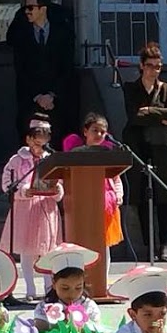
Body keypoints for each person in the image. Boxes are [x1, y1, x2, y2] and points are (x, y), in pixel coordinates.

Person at [121, 43, 167, 263]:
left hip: (163, 148)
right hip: (138, 146)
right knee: (142, 197)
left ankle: (164, 245)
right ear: (141, 66)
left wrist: (149, 111)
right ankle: (149, 245)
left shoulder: (165, 88)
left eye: (158, 67)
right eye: (150, 66)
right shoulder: (131, 87)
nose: (154, 71)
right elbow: (133, 116)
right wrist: (160, 117)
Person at [0, 117, 63, 302]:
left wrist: (57, 190)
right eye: (37, 137)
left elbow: (60, 182)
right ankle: (29, 288)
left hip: (47, 209)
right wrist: (23, 191)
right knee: (27, 250)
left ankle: (50, 288)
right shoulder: (17, 160)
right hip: (25, 209)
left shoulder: (51, 159)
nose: (41, 142)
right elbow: (7, 184)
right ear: (28, 139)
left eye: (45, 137)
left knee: (47, 250)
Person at [62, 113, 125, 282]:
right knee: (84, 244)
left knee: (103, 245)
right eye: (95, 130)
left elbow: (115, 177)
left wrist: (119, 194)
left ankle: (102, 281)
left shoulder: (107, 153)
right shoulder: (76, 152)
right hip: (84, 203)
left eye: (102, 132)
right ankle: (81, 281)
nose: (99, 135)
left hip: (107, 203)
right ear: (85, 131)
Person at [7, 0, 76, 139]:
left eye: (31, 8)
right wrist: (37, 96)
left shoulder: (62, 32)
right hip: (30, 98)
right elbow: (21, 68)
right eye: (25, 8)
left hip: (56, 100)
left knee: (57, 137)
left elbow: (67, 67)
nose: (27, 12)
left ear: (43, 9)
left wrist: (52, 95)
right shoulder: (21, 34)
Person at [32, 244, 103, 333]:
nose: (72, 294)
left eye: (78, 287)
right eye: (65, 288)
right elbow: (39, 331)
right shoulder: (44, 308)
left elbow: (96, 332)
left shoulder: (89, 306)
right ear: (54, 283)